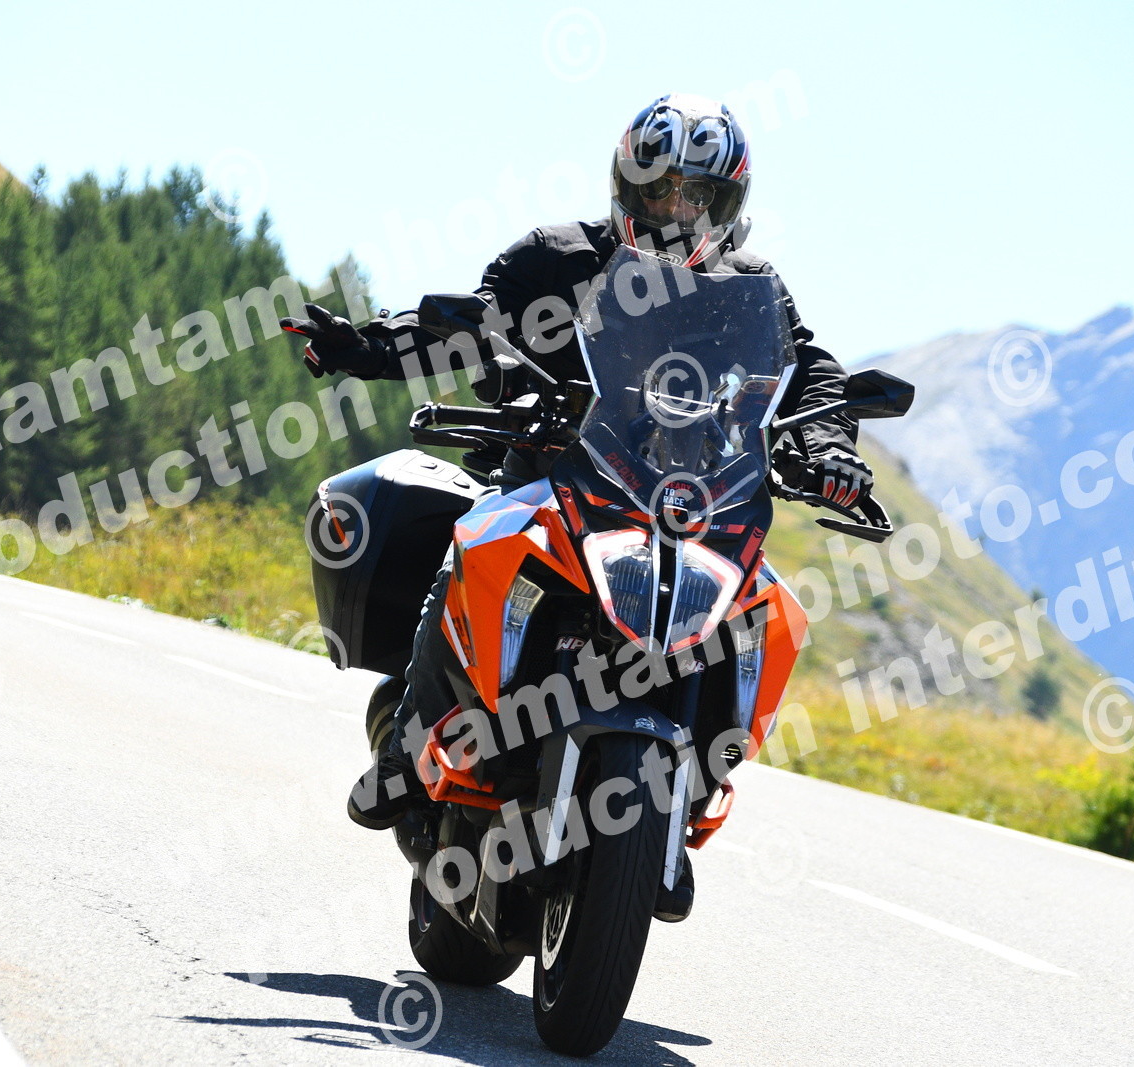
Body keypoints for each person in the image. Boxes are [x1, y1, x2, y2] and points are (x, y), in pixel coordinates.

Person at [281, 94, 871, 869]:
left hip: (685, 502)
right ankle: (406, 748)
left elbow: (809, 373)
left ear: (728, 204)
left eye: (697, 195)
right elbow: (473, 322)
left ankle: (692, 784)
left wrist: (827, 448)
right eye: (659, 189)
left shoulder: (752, 284)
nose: (675, 209)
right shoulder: (557, 258)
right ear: (626, 184)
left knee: (760, 605)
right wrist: (366, 347)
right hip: (557, 474)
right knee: (474, 544)